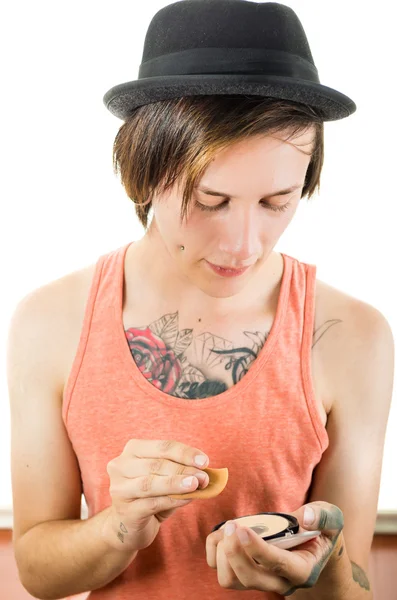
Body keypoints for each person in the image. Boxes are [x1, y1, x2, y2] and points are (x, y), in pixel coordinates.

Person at [6, 1, 393, 599]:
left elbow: (356, 583)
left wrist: (317, 575)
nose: (244, 245)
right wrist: (118, 527)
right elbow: (37, 570)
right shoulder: (48, 323)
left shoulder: (354, 335)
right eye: (210, 201)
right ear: (142, 173)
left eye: (276, 202)